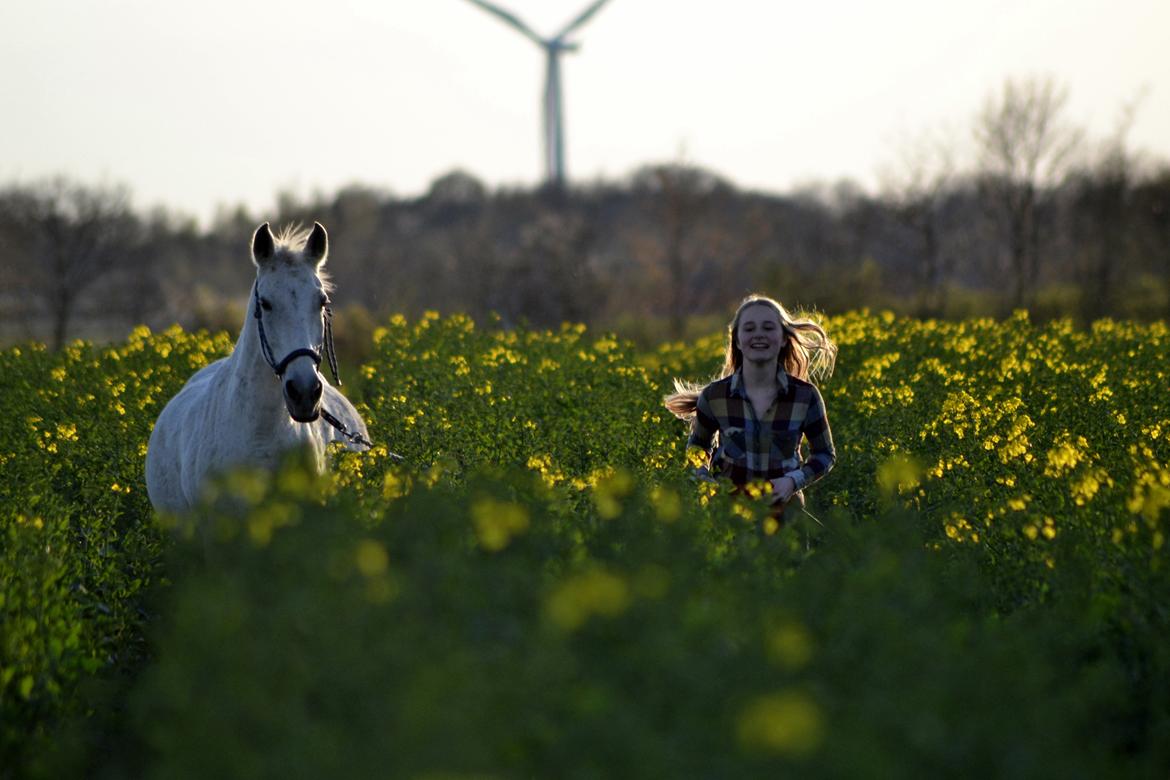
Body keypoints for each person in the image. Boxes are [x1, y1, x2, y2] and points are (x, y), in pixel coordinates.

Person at [664, 294, 837, 522]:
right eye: (749, 328)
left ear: (784, 339)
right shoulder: (715, 396)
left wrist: (792, 481)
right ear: (737, 340)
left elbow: (825, 454)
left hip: (784, 518)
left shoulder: (805, 396)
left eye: (768, 328)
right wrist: (707, 484)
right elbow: (697, 448)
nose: (759, 334)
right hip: (727, 518)